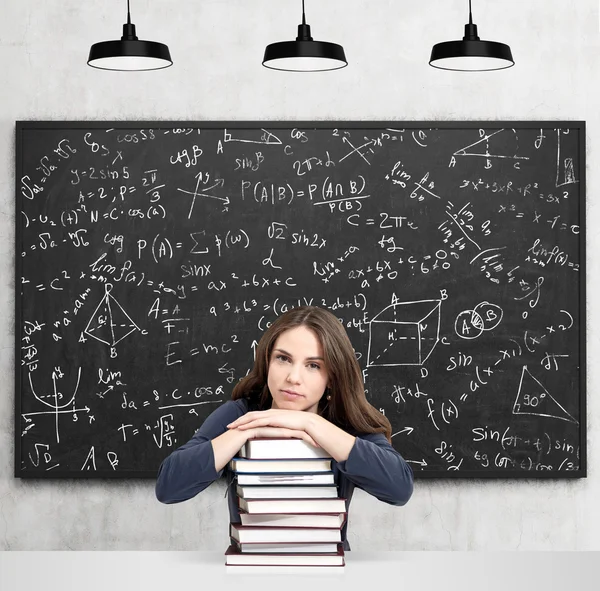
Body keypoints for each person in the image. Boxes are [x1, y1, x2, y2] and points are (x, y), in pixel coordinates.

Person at [155, 306, 414, 550]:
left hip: (327, 568)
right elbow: (168, 487)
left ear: (332, 376)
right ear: (268, 361)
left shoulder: (344, 423)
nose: (293, 378)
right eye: (283, 359)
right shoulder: (242, 413)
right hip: (250, 567)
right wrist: (247, 430)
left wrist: (312, 424)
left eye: (313, 365)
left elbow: (399, 488)